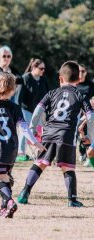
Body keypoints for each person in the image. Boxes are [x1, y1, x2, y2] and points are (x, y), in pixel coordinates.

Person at [17, 61, 94, 207]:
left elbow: (38, 110)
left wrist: (32, 129)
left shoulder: (51, 93)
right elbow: (91, 117)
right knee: (68, 167)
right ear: (78, 79)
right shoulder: (80, 95)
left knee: (39, 163)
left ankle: (24, 193)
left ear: (60, 78)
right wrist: (90, 136)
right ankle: (72, 200)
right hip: (66, 135)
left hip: (49, 133)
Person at [0, 72, 45, 218]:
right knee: (5, 176)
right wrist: (36, 143)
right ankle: (4, 207)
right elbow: (24, 128)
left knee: (1, 179)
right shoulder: (15, 107)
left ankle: (10, 202)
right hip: (12, 149)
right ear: (12, 90)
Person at [15, 58, 49, 161]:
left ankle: (43, 152)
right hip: (26, 109)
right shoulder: (26, 78)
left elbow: (48, 95)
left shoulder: (43, 80)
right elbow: (18, 96)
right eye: (41, 68)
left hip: (39, 110)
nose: (43, 70)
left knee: (43, 130)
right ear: (34, 67)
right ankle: (21, 153)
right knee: (25, 130)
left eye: (44, 69)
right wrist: (17, 111)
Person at [76, 64, 94, 163]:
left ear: (86, 72)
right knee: (77, 134)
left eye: (83, 71)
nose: (81, 73)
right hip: (75, 112)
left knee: (87, 133)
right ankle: (82, 152)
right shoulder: (74, 84)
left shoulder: (90, 85)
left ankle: (87, 154)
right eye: (79, 71)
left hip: (88, 113)